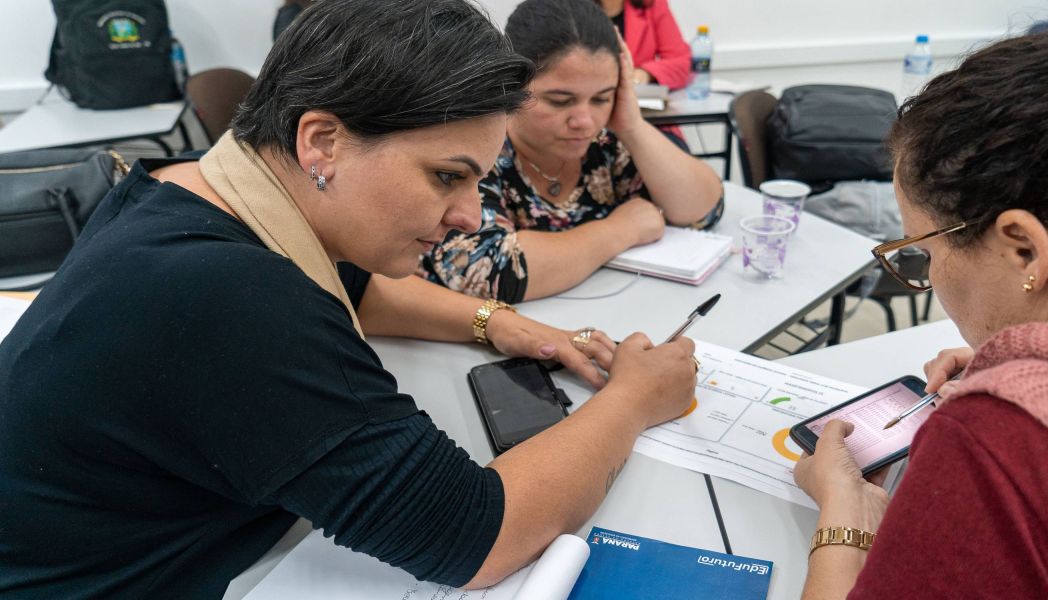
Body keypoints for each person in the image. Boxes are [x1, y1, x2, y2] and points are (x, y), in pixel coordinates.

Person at [0, 1, 699, 597]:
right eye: (447, 176)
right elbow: (478, 536)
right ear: (323, 142)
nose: (468, 216)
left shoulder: (189, 186)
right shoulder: (233, 298)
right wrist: (634, 397)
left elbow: (361, 291)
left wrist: (502, 324)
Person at [792, 0, 1048, 598]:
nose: (928, 276)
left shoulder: (1003, 444)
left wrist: (844, 514)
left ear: (1024, 251)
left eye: (924, 250)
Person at [421, 0, 724, 303]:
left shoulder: (605, 143)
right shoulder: (477, 150)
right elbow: (491, 270)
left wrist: (631, 124)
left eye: (601, 99)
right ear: (512, 84)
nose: (584, 122)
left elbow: (703, 211)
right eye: (560, 101)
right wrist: (620, 230)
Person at [593, 0, 692, 91]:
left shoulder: (652, 4)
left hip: (636, 104)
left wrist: (645, 74)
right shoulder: (578, 9)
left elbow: (681, 63)